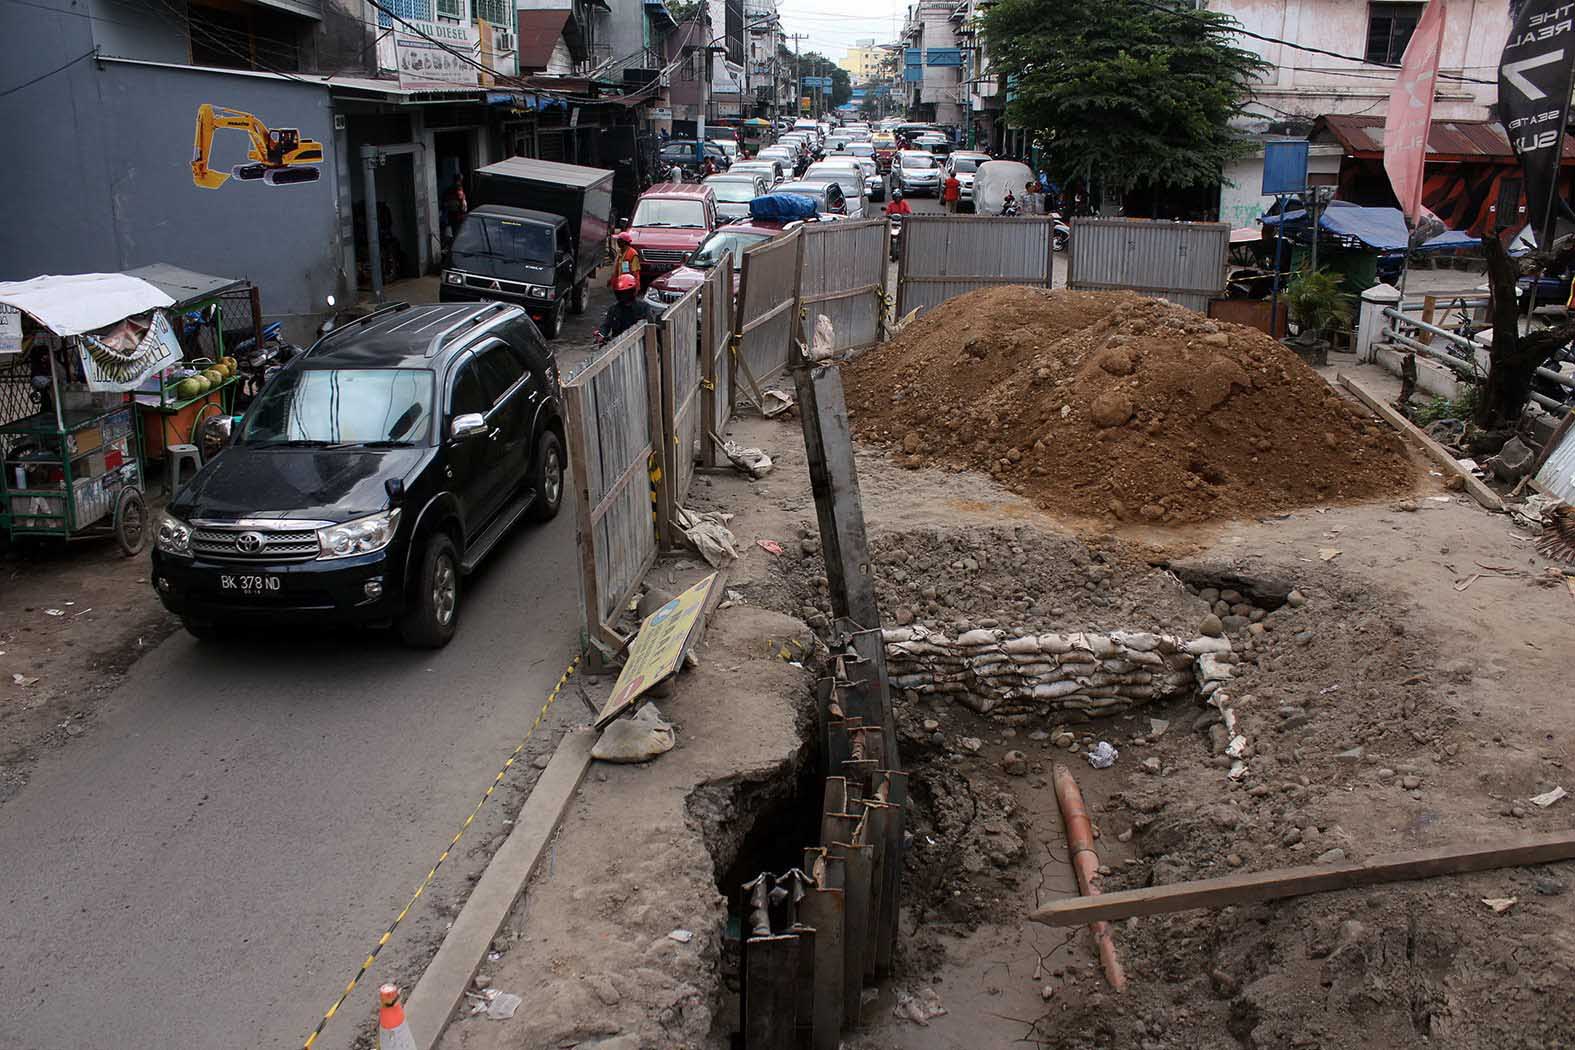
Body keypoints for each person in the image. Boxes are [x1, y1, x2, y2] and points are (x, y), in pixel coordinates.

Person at [595, 274, 650, 344]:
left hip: (639, 344)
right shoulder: (614, 309)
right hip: (617, 344)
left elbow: (650, 327)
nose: (624, 296)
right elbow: (606, 325)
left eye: (626, 293)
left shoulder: (644, 307)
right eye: (621, 294)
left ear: (632, 292)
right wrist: (601, 334)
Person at [440, 174, 467, 249]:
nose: (461, 182)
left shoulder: (449, 189)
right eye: (461, 180)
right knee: (457, 232)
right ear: (459, 180)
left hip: (452, 213)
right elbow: (461, 202)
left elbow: (444, 202)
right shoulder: (457, 189)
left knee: (455, 231)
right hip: (457, 214)